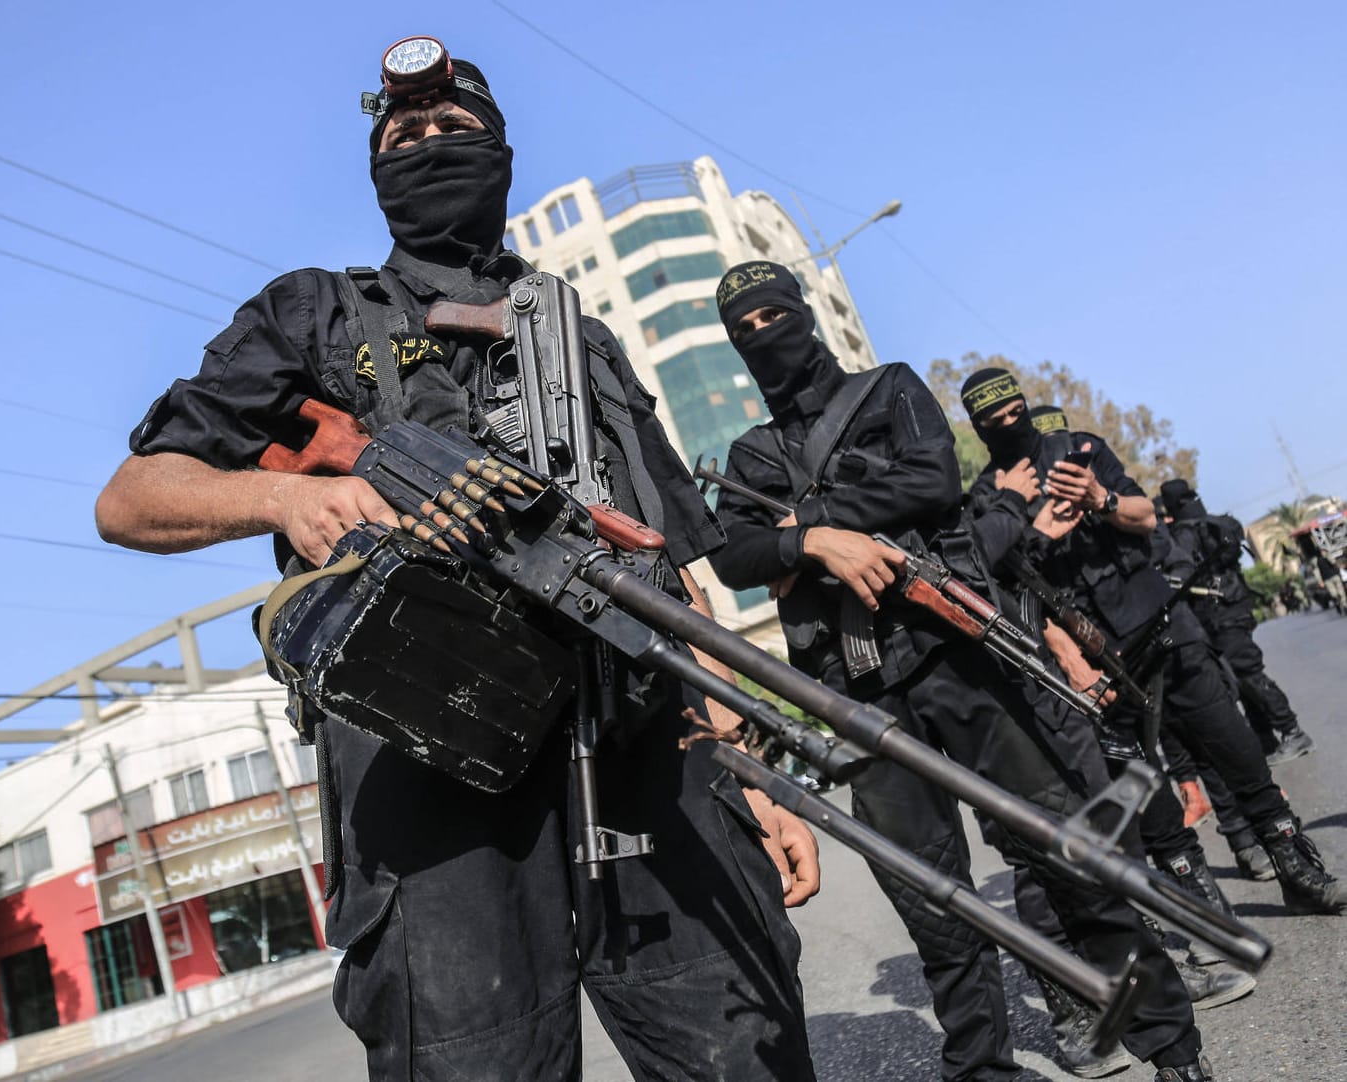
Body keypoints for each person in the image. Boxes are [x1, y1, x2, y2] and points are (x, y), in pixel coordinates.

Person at [96, 39, 821, 1081]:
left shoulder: (586, 339)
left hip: (641, 742)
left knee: (747, 1042)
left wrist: (741, 770)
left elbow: (671, 572)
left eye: (453, 129)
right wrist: (288, 496)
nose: (429, 144)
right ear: (377, 171)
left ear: (502, 153)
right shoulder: (315, 315)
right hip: (430, 769)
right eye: (404, 136)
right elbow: (131, 498)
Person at [705, 262, 1211, 1082]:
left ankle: (1173, 1047)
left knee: (1063, 854)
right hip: (860, 685)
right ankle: (981, 1068)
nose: (764, 336)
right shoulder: (751, 455)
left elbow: (933, 481)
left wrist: (809, 522)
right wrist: (808, 543)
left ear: (804, 314)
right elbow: (731, 554)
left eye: (773, 316)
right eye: (744, 330)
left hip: (962, 659)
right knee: (931, 904)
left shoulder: (886, 391)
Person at [960, 367, 1347, 925]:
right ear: (977, 429)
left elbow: (1143, 518)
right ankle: (1205, 912)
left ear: (1024, 403)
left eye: (1014, 412)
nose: (1009, 425)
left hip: (1161, 626)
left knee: (1236, 747)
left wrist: (1099, 497)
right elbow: (1009, 594)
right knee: (1148, 795)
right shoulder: (988, 499)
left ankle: (1297, 869)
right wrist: (1040, 545)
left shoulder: (1080, 449)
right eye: (993, 422)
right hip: (1095, 659)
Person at [1159, 479, 1315, 765]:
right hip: (1235, 605)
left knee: (1247, 674)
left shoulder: (1185, 531)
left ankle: (1293, 731)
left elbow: (1182, 573)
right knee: (1240, 679)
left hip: (1218, 614)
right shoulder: (1212, 522)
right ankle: (1265, 738)